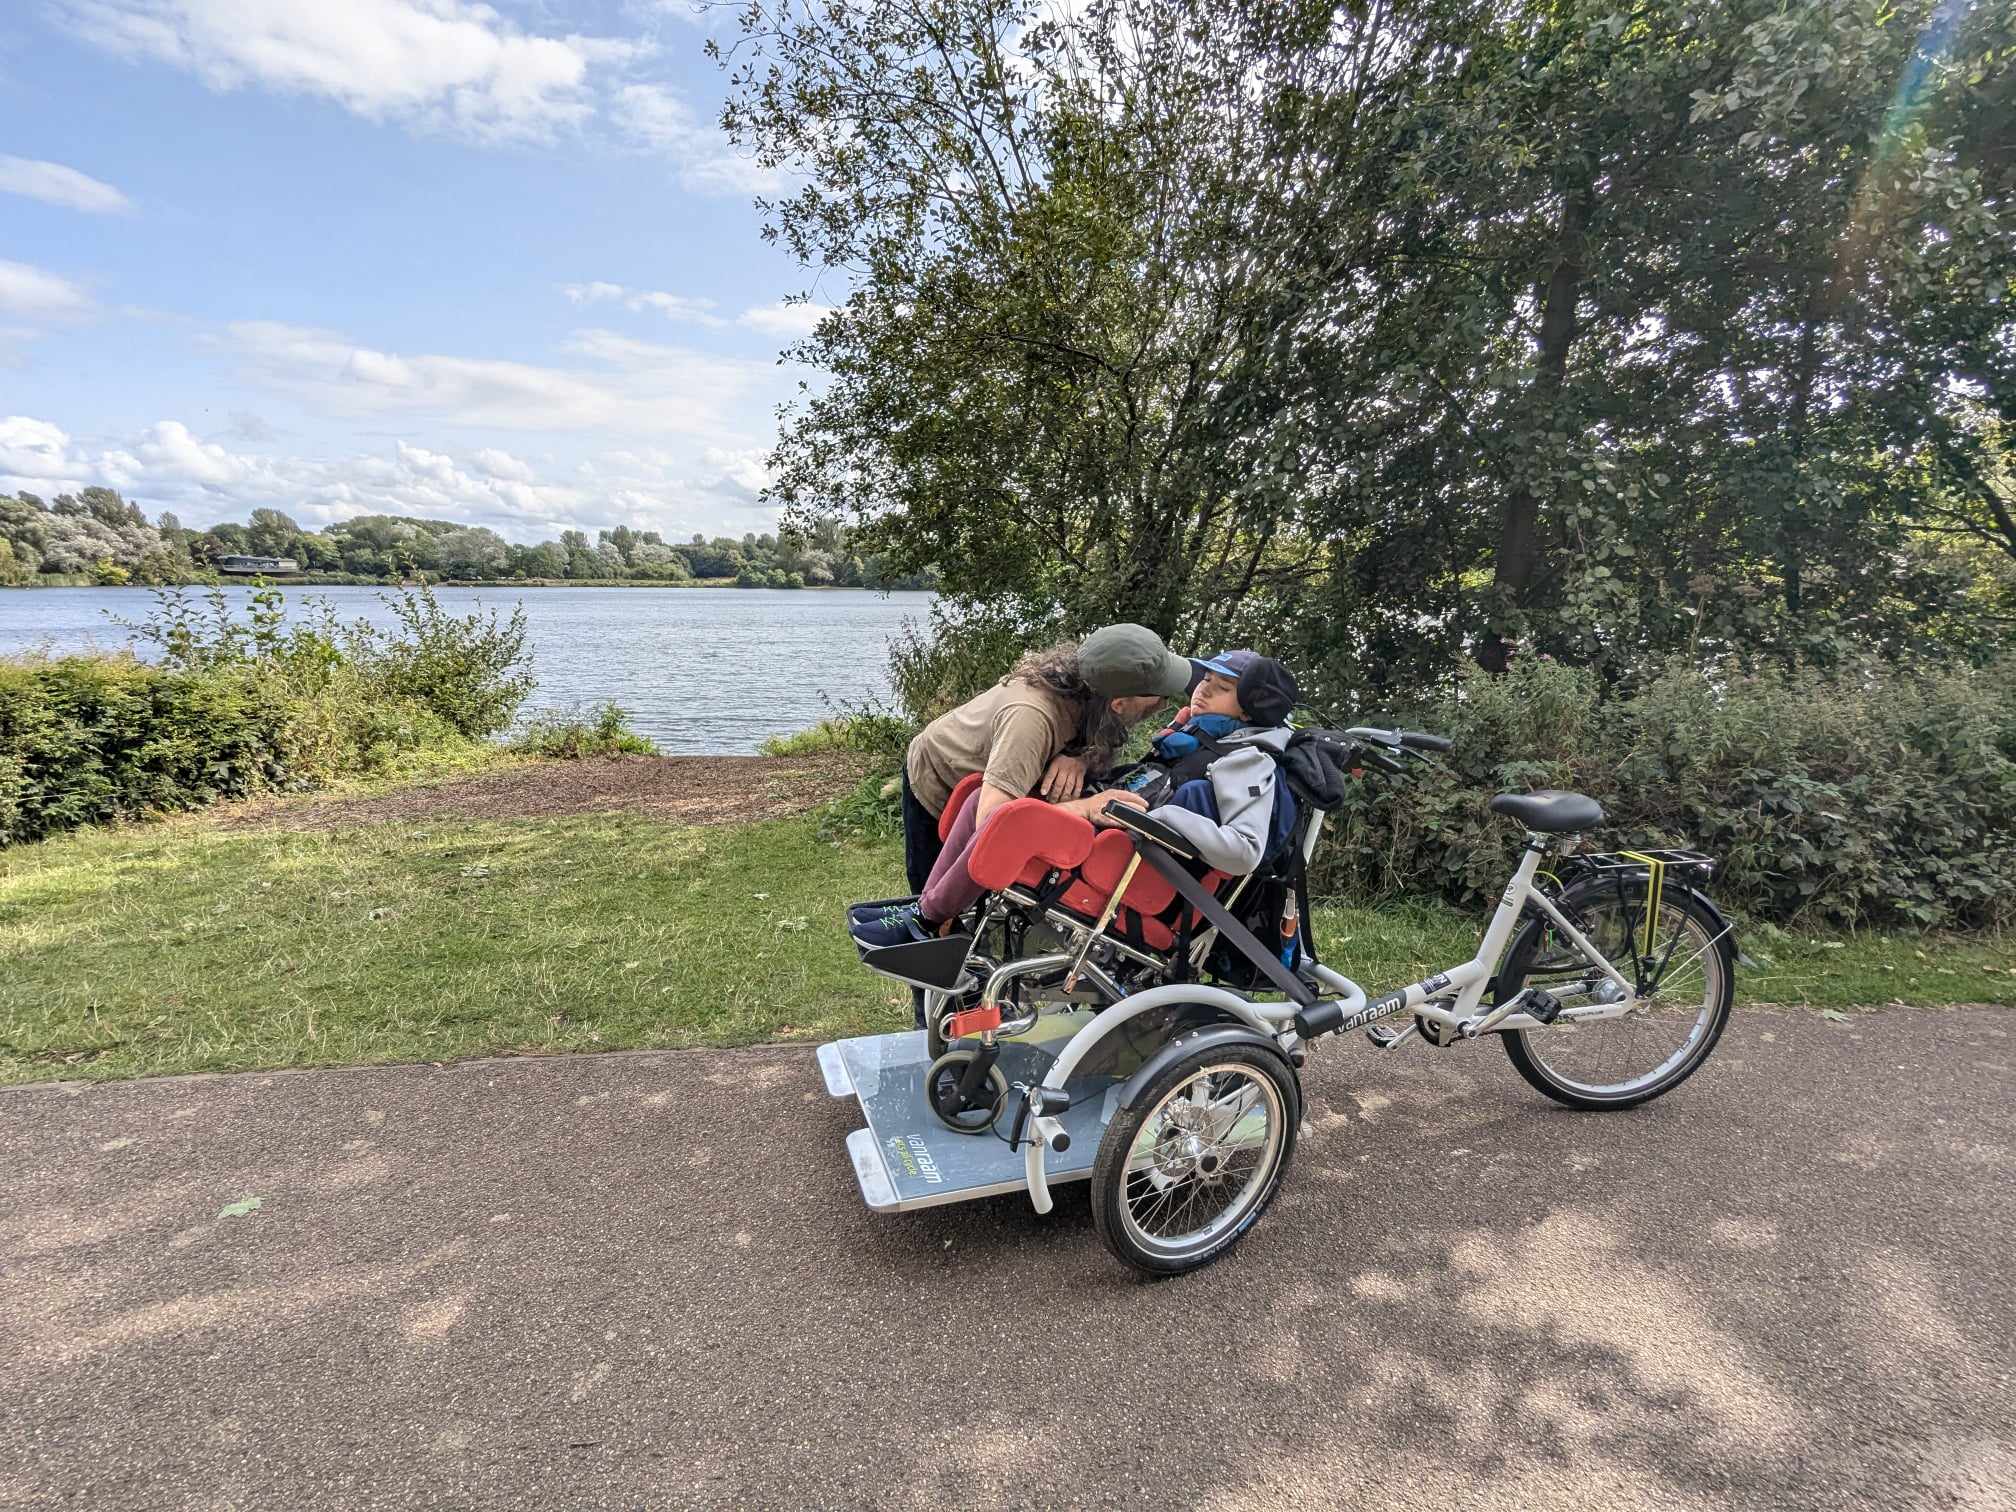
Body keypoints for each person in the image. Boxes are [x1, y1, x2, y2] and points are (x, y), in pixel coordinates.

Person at [857, 649, 1300, 948]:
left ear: (1248, 709)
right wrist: (1085, 769)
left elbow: (1244, 850)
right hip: (1116, 833)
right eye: (1204, 679)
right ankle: (927, 911)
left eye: (1219, 687)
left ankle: (927, 919)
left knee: (1009, 819)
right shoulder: (1193, 734)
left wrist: (1162, 818)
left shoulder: (1245, 758)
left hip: (1139, 861)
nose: (1199, 689)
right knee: (978, 803)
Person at [896, 623, 1196, 893]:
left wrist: (1078, 756)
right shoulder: (1031, 719)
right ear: (1119, 703)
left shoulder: (1089, 687)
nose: (1162, 703)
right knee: (937, 899)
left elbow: (1104, 738)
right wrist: (1087, 808)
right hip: (940, 778)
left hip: (993, 777)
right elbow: (991, 818)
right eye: (1160, 697)